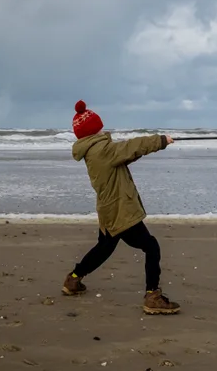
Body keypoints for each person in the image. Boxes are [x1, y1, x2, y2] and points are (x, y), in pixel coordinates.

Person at [62, 100, 180, 315]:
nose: (103, 129)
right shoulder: (103, 150)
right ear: (94, 130)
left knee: (105, 248)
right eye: (99, 127)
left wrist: (151, 147)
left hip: (108, 209)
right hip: (120, 210)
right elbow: (131, 146)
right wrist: (161, 140)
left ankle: (74, 279)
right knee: (151, 247)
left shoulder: (95, 151)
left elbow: (126, 154)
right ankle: (152, 296)